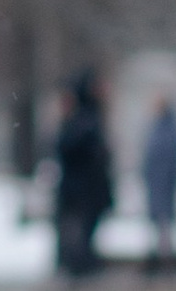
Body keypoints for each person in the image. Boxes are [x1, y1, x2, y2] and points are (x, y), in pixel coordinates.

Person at [54, 69, 113, 281]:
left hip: (83, 190)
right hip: (81, 190)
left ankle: (78, 267)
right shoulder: (85, 120)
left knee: (79, 238)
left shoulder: (83, 121)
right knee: (78, 239)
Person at [144, 94, 176, 273]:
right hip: (156, 182)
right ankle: (159, 256)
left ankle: (166, 258)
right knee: (158, 221)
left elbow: (170, 158)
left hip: (164, 182)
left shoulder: (168, 129)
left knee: (165, 220)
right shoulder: (158, 128)